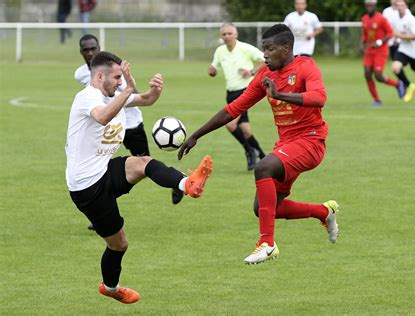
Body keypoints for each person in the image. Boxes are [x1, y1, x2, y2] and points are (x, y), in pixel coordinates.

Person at [178, 24, 339, 265]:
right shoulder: (265, 76)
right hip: (287, 144)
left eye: (269, 49)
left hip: (311, 141)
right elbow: (234, 109)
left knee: (263, 167)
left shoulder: (306, 66)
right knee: (266, 208)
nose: (264, 54)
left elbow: (319, 98)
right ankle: (323, 212)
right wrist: (197, 134)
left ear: (286, 48)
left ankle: (267, 244)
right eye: (263, 49)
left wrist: (280, 95)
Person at [66, 51, 213, 303]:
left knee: (143, 163)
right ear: (99, 76)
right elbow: (102, 116)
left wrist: (155, 89)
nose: (119, 82)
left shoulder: (113, 94)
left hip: (103, 169)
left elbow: (146, 99)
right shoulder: (87, 97)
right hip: (87, 187)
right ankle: (110, 288)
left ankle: (187, 184)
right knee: (119, 244)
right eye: (116, 77)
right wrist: (127, 89)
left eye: (121, 78)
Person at [74, 35, 184, 221]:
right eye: (86, 50)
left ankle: (176, 180)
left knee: (145, 164)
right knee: (103, 167)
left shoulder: (116, 73)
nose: (90, 52)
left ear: (99, 47)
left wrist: (153, 90)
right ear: (81, 52)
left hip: (130, 125)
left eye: (93, 48)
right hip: (104, 130)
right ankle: (101, 209)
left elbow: (138, 96)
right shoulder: (81, 75)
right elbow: (97, 108)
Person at [208, 23, 266, 171]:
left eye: (229, 33)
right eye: (224, 34)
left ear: (236, 34)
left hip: (246, 92)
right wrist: (212, 71)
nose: (227, 36)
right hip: (231, 93)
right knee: (246, 131)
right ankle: (264, 157)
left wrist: (252, 72)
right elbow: (214, 68)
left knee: (230, 124)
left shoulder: (245, 48)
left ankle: (249, 151)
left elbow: (265, 59)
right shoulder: (220, 51)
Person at [361, 0, 405, 106]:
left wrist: (380, 41)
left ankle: (397, 84)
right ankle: (377, 100)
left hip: (381, 51)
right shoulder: (364, 18)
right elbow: (365, 34)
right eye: (367, 5)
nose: (369, 7)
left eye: (371, 5)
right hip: (370, 50)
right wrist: (362, 44)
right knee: (367, 73)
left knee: (378, 75)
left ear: (375, 6)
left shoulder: (381, 18)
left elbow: (390, 33)